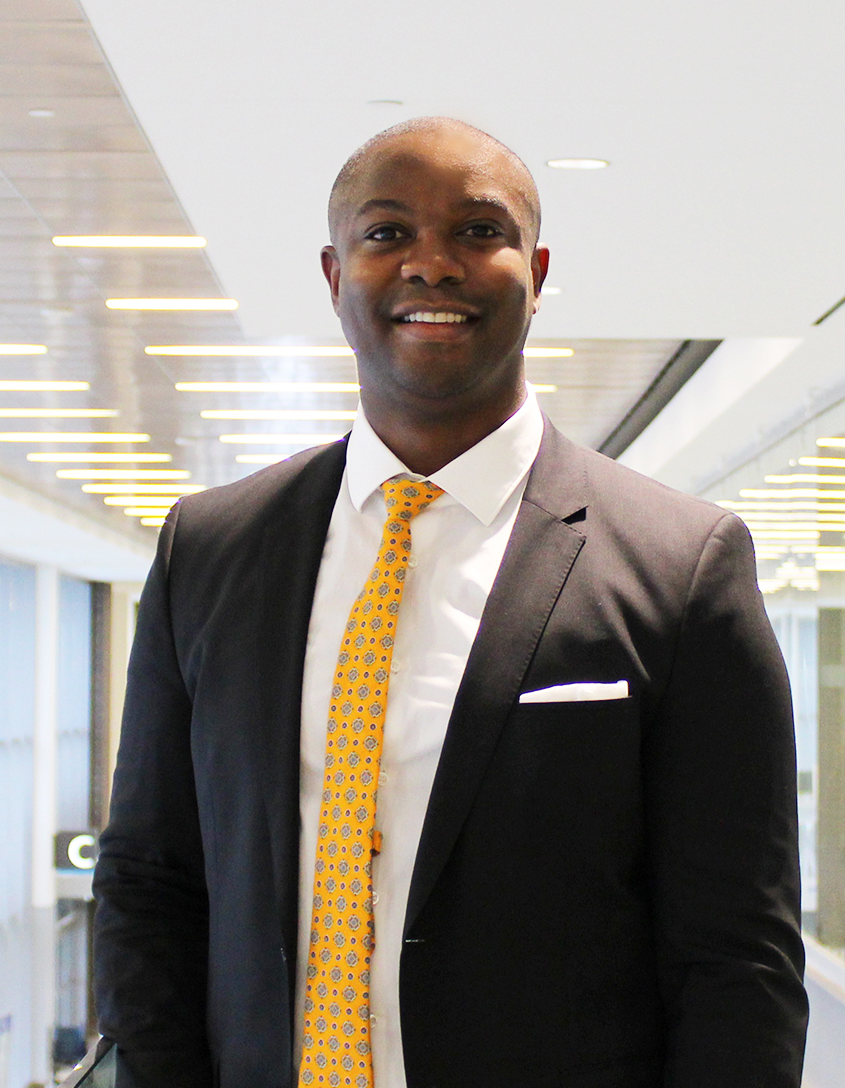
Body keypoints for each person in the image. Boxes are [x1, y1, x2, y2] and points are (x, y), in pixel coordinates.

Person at [93, 117, 808, 1088]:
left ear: (538, 268)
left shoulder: (680, 564)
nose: (431, 264)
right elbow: (149, 880)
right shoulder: (210, 549)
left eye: (479, 231)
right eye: (387, 233)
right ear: (334, 273)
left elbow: (738, 958)